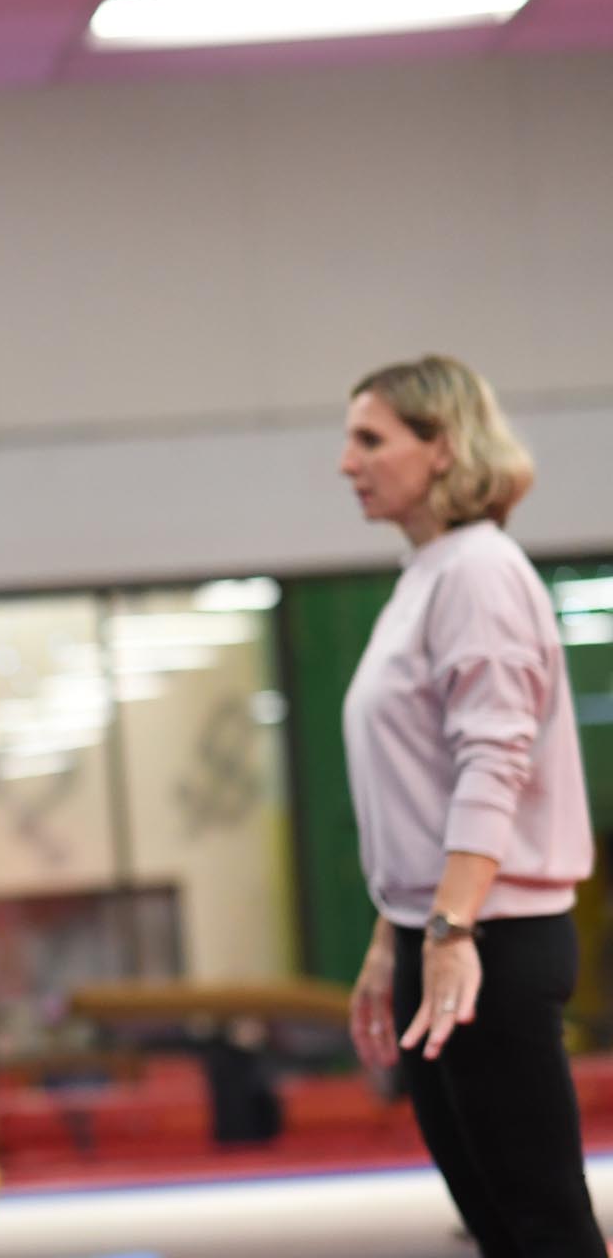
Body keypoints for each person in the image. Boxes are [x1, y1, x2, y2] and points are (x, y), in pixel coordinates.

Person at [339, 355, 600, 1256]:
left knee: (542, 1226)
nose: (347, 463)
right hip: (438, 930)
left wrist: (450, 932)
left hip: (491, 936)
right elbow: (417, 790)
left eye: (371, 439)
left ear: (442, 448)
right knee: (497, 1226)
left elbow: (494, 761)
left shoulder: (479, 574)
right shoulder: (426, 577)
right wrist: (393, 935)